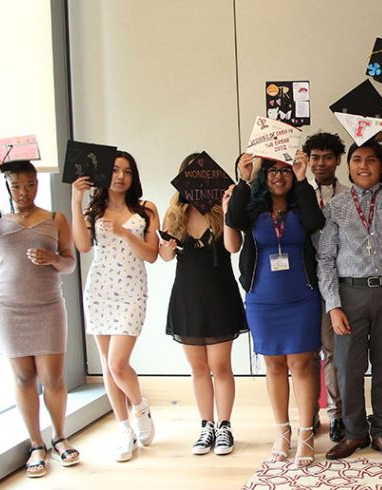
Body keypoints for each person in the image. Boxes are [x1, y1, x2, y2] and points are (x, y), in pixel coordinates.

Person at [0, 156, 79, 478]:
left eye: (29, 184)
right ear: (7, 186)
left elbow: (71, 263)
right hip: (7, 308)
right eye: (16, 185)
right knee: (23, 378)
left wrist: (53, 258)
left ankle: (60, 436)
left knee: (53, 379)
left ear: (37, 184)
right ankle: (36, 444)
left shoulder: (55, 218)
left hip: (47, 306)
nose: (24, 191)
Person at [320, 103, 382, 461]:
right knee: (348, 367)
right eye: (357, 160)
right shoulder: (336, 207)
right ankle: (355, 432)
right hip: (350, 294)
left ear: (381, 166)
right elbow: (325, 258)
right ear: (349, 166)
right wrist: (334, 305)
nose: (363, 166)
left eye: (371, 160)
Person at [224, 152, 324, 468]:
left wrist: (303, 177)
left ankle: (306, 434)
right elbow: (234, 222)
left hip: (302, 296)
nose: (279, 176)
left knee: (302, 363)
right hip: (262, 298)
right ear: (264, 177)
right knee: (274, 365)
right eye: (273, 171)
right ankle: (283, 432)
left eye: (285, 171)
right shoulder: (253, 210)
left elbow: (315, 222)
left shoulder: (300, 203)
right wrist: (243, 179)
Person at [71, 151, 159, 462]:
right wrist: (75, 200)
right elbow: (82, 246)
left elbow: (150, 254)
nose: (120, 176)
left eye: (127, 171)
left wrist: (123, 231)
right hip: (99, 291)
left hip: (132, 291)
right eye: (115, 170)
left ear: (134, 177)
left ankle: (139, 407)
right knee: (107, 364)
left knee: (117, 364)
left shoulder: (146, 209)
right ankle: (124, 430)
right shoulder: (93, 211)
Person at [159, 153, 248, 456]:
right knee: (198, 368)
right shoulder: (174, 213)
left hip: (220, 293)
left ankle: (225, 426)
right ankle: (205, 425)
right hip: (187, 295)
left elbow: (233, 248)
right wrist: (167, 247)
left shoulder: (221, 211)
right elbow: (166, 256)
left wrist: (227, 209)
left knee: (220, 366)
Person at [303, 131, 349, 441]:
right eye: (315, 157)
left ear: (337, 160)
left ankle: (337, 415)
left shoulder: (349, 195)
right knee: (305, 354)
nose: (321, 163)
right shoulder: (295, 193)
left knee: (334, 352)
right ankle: (309, 417)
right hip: (303, 285)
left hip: (339, 282)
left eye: (327, 157)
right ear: (306, 160)